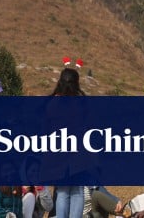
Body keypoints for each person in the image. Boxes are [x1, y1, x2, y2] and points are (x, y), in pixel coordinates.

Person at [50, 68, 86, 218]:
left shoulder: (52, 102)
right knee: (77, 191)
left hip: (57, 152)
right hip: (77, 151)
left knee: (62, 192)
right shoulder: (81, 103)